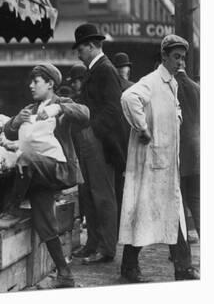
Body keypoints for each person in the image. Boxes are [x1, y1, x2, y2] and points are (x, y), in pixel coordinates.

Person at [0, 63, 89, 289]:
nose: (31, 86)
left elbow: (85, 114)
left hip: (58, 169)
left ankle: (12, 210)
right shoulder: (29, 108)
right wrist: (16, 120)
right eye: (31, 81)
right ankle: (65, 274)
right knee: (45, 222)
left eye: (36, 82)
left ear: (50, 83)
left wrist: (58, 109)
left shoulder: (62, 103)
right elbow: (8, 131)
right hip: (36, 172)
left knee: (25, 159)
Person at [119, 34, 200, 282]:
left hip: (167, 165)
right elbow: (128, 97)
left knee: (170, 215)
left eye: (183, 58)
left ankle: (181, 267)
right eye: (176, 57)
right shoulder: (152, 81)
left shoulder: (172, 84)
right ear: (164, 57)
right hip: (151, 165)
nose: (180, 63)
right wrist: (141, 128)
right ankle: (131, 268)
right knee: (143, 216)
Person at [71, 23, 127, 264]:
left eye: (81, 49)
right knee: (89, 195)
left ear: (92, 46)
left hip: (100, 143)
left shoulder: (104, 70)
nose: (78, 54)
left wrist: (93, 130)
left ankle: (106, 248)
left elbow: (113, 109)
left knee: (102, 195)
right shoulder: (96, 70)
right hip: (90, 139)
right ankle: (92, 244)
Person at [175, 68, 200, 238]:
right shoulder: (197, 88)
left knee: (179, 202)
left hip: (177, 151)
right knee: (196, 201)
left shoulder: (172, 87)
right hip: (196, 151)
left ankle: (182, 251)